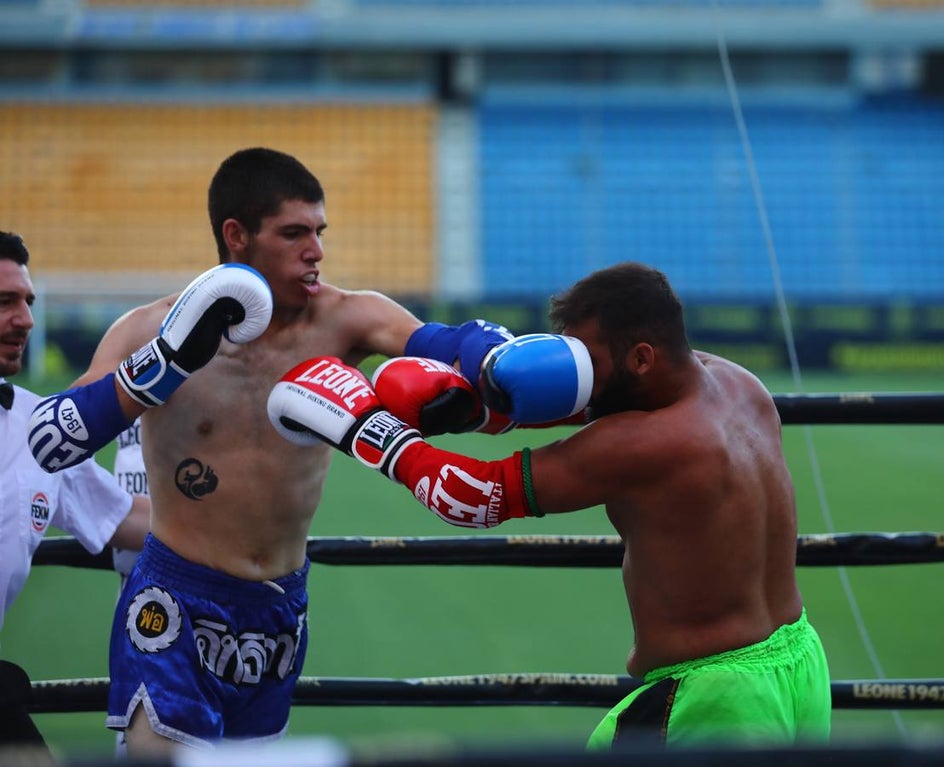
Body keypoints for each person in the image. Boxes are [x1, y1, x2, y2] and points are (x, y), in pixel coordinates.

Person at [24, 147, 575, 755]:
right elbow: (52, 440)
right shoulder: (146, 330)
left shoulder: (347, 318)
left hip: (279, 608)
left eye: (319, 231)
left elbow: (446, 342)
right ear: (237, 235)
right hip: (173, 601)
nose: (315, 250)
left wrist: (487, 371)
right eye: (293, 233)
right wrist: (158, 370)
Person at [267, 261, 833, 749]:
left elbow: (476, 497)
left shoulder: (646, 444)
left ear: (639, 357)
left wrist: (367, 429)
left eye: (589, 358)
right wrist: (478, 401)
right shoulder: (738, 386)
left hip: (716, 700)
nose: (577, 371)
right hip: (798, 664)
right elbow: (579, 393)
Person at [0, 230, 149, 746]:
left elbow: (124, 517)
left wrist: (248, 519)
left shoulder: (36, 426)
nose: (25, 320)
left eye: (27, 302)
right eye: (5, 302)